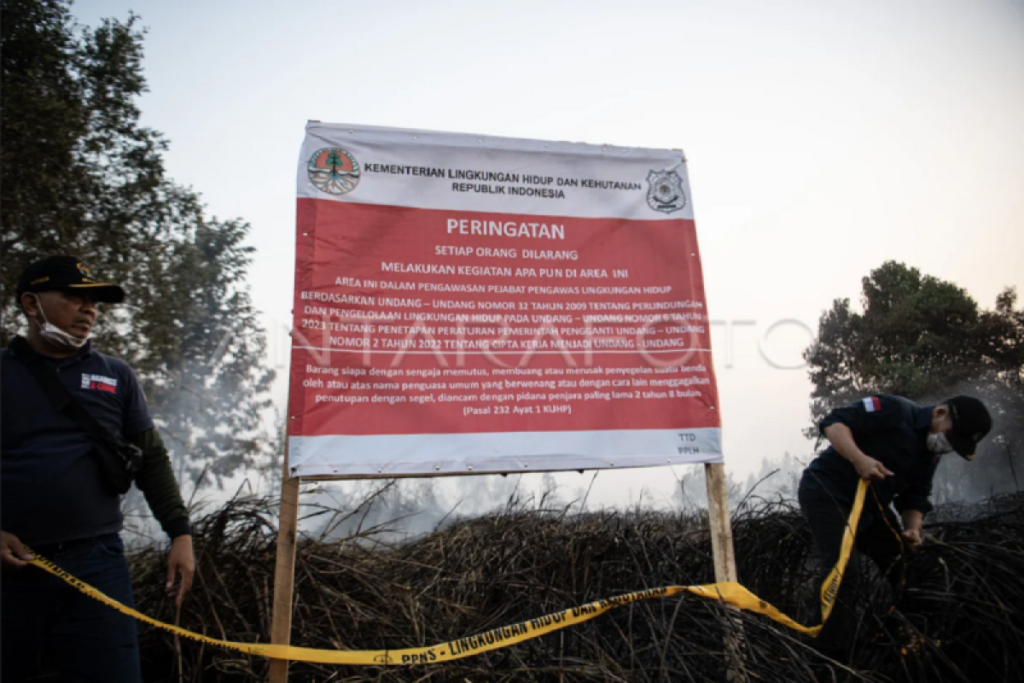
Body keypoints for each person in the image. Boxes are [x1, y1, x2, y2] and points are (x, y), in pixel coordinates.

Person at [1, 256, 195, 682]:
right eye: (75, 297)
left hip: (97, 562)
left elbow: (152, 459)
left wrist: (180, 532)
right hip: (10, 571)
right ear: (32, 304)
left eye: (94, 302)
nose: (89, 309)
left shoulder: (115, 375)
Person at [798, 393, 991, 663]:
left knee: (906, 566)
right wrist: (859, 459)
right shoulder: (894, 410)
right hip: (827, 494)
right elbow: (834, 423)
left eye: (955, 445)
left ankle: (897, 637)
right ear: (939, 413)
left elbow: (916, 496)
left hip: (870, 508)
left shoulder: (929, 454)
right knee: (843, 573)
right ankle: (825, 658)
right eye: (950, 437)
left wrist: (913, 530)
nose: (947, 447)